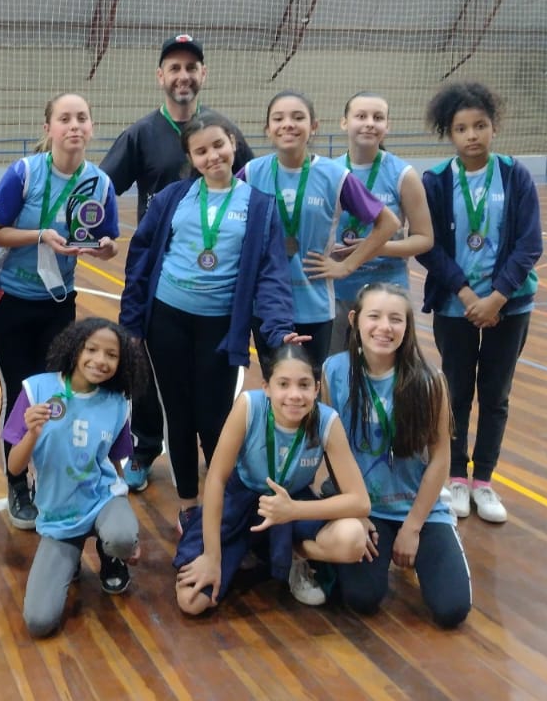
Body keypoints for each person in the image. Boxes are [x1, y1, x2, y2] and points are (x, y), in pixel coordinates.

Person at [121, 111, 301, 532]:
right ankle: (188, 503)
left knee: (216, 418)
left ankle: (221, 497)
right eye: (200, 150)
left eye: (218, 145)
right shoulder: (171, 199)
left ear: (233, 144)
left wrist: (277, 330)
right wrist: (131, 323)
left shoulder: (259, 206)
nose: (212, 155)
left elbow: (272, 274)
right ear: (191, 157)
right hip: (167, 321)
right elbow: (141, 260)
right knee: (178, 415)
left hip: (220, 328)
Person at [101, 33, 253, 494]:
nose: (183, 75)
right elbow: (104, 187)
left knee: (211, 384)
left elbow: (254, 187)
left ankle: (217, 460)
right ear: (161, 77)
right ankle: (146, 449)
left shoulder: (224, 134)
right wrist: (100, 233)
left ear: (202, 75)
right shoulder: (141, 133)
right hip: (161, 276)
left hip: (217, 284)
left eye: (192, 67)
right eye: (175, 67)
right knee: (151, 370)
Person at [0, 93, 119, 530]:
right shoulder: (25, 173)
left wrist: (104, 249)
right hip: (11, 301)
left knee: (58, 393)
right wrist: (41, 235)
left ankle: (51, 478)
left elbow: (109, 238)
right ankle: (16, 481)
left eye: (82, 117)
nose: (74, 125)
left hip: (60, 304)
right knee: (20, 393)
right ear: (49, 128)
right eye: (65, 118)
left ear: (92, 127)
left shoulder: (99, 182)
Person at [419, 82, 542, 524]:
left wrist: (497, 297)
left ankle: (484, 480)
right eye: (461, 128)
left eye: (480, 126)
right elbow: (428, 246)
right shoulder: (435, 182)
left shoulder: (514, 175)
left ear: (493, 127)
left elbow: (529, 244)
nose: (471, 135)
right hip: (457, 308)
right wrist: (469, 295)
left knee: (496, 394)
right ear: (447, 132)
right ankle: (455, 475)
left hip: (509, 306)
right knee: (455, 394)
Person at [173, 344, 369, 614]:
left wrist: (293, 510)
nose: (294, 395)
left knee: (353, 539)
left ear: (316, 388)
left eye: (303, 385)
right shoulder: (249, 406)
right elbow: (216, 479)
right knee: (191, 602)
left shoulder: (327, 421)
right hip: (241, 499)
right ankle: (250, 548)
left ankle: (292, 553)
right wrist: (211, 556)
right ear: (267, 387)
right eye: (283, 384)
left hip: (293, 501)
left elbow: (360, 501)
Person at [324, 282, 472, 629]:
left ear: (407, 328)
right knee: (362, 599)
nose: (384, 328)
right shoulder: (334, 371)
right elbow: (333, 451)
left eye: (396, 319)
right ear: (354, 319)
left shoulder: (429, 381)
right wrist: (354, 511)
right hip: (364, 508)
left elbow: (439, 459)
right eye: (374, 316)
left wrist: (414, 527)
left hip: (417, 508)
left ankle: (438, 542)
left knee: (452, 610)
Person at [1, 318, 148, 637]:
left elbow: (115, 461)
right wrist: (31, 433)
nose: (100, 360)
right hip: (60, 512)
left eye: (111, 354)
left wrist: (127, 530)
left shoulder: (117, 402)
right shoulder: (37, 388)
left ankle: (113, 556)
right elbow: (14, 468)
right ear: (75, 348)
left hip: (101, 501)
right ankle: (72, 557)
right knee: (39, 623)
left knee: (121, 536)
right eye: (92, 349)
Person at [240, 90, 399, 365]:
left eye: (298, 117)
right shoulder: (252, 172)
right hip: (266, 306)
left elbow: (388, 223)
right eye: (279, 118)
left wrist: (346, 266)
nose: (288, 123)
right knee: (275, 388)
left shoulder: (334, 175)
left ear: (313, 127)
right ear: (268, 129)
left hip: (314, 307)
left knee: (310, 388)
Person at [327, 91, 434, 354]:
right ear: (344, 123)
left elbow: (424, 239)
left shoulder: (403, 174)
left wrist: (375, 247)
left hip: (389, 290)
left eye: (378, 117)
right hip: (339, 290)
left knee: (388, 372)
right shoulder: (328, 172)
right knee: (336, 369)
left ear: (388, 126)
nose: (369, 123)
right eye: (360, 116)